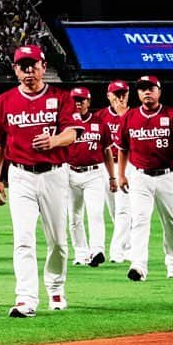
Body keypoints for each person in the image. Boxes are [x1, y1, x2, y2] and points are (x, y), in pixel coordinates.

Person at [0, 45, 83, 318]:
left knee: (59, 241)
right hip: (20, 175)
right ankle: (25, 297)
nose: (29, 71)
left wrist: (54, 141)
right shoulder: (4, 101)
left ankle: (56, 286)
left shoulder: (60, 98)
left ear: (43, 66)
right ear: (15, 70)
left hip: (54, 174)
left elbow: (73, 133)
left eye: (33, 65)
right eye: (22, 66)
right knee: (23, 239)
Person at [115, 75, 173, 282]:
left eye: (151, 88)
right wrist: (121, 174)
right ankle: (138, 265)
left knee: (171, 222)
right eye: (142, 89)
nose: (146, 92)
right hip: (140, 176)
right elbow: (122, 148)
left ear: (159, 91)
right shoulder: (129, 118)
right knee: (139, 220)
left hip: (167, 175)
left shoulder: (172, 115)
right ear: (138, 94)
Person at [66, 87, 117, 268]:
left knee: (95, 213)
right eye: (75, 100)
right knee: (74, 216)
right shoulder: (64, 122)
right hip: (69, 173)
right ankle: (80, 252)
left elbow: (107, 151)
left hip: (94, 173)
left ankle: (97, 250)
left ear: (89, 102)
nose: (78, 103)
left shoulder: (99, 123)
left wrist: (112, 177)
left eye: (82, 100)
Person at [96, 80, 132, 262]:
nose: (121, 97)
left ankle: (117, 251)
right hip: (106, 166)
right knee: (114, 209)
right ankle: (128, 246)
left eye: (124, 93)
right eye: (117, 93)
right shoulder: (100, 116)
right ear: (108, 96)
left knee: (123, 209)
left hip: (128, 165)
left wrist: (123, 115)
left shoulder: (135, 115)